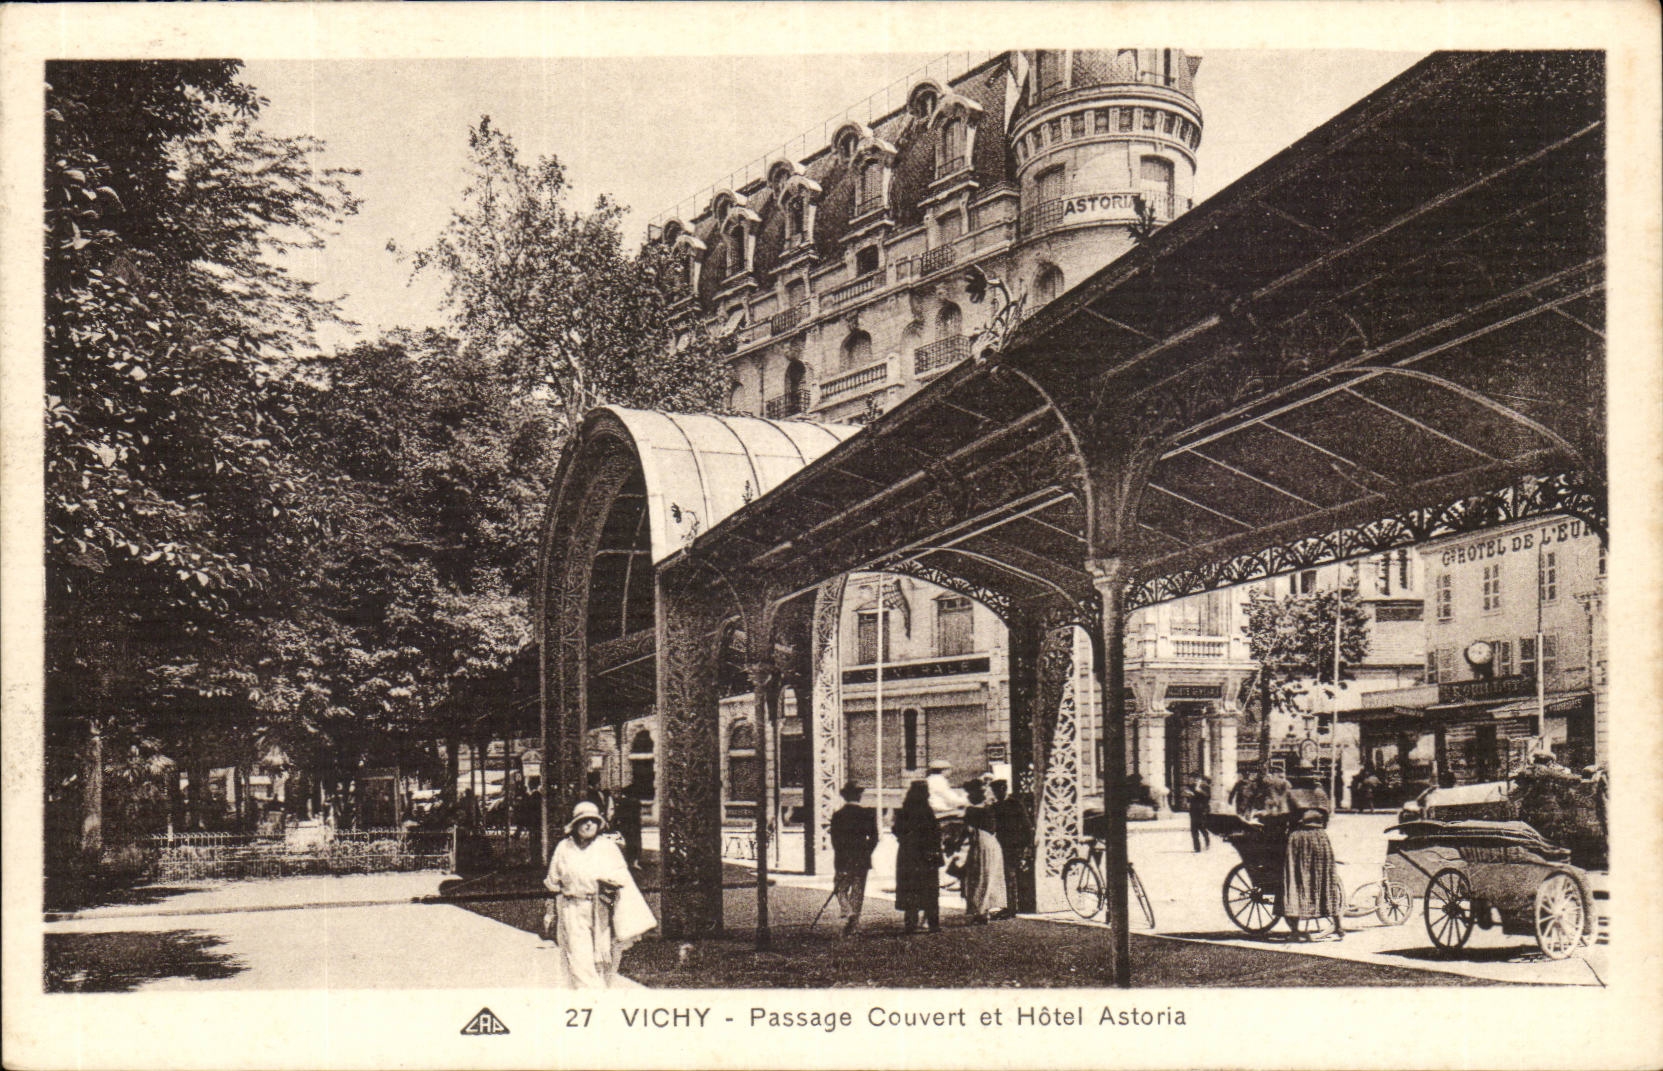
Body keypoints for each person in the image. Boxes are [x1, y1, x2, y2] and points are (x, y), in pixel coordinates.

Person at [542, 800, 656, 987]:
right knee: (579, 961)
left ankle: (599, 1000)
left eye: (593, 821)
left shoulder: (607, 848)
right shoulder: (564, 848)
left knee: (604, 962)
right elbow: (552, 883)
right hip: (573, 909)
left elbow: (623, 881)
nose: (588, 824)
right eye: (583, 820)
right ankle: (591, 1000)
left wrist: (612, 890)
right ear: (575, 824)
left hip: (602, 911)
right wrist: (550, 912)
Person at [1277, 779, 1343, 941]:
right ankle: (1338, 926)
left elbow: (1282, 819)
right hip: (1320, 838)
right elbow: (1326, 820)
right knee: (1326, 878)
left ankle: (1294, 931)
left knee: (1296, 877)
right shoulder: (1321, 794)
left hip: (1299, 838)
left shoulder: (1290, 794)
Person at [828, 780, 880, 935]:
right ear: (859, 796)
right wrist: (866, 851)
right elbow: (875, 837)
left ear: (844, 797)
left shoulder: (838, 815)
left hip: (843, 859)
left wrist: (842, 854)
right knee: (858, 891)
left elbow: (835, 840)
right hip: (862, 859)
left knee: (840, 889)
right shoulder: (867, 814)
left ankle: (847, 910)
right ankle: (853, 925)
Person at [893, 781, 943, 934]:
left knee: (910, 889)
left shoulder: (904, 811)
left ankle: (910, 923)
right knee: (929, 889)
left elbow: (896, 830)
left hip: (908, 855)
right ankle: (933, 923)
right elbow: (935, 833)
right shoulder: (928, 812)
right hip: (926, 856)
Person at [959, 779, 1007, 924]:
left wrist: (955, 845)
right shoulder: (990, 808)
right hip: (992, 843)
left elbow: (965, 832)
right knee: (988, 876)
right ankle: (984, 910)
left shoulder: (971, 811)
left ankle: (980, 911)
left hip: (980, 845)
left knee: (978, 877)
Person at [990, 779, 1032, 919]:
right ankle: (1012, 906)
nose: (997, 794)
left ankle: (1015, 907)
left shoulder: (1015, 804)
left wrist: (1027, 844)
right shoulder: (995, 806)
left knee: (1012, 875)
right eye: (995, 791)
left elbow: (1026, 824)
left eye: (998, 791)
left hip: (1015, 843)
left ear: (1004, 789)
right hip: (1003, 843)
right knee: (1008, 875)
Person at [1188, 775, 1212, 852]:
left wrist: (1198, 790)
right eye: (1194, 779)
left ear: (1201, 780)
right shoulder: (1192, 787)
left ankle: (1207, 840)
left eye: (1197, 779)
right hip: (1193, 810)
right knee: (1193, 829)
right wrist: (1189, 797)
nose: (1195, 781)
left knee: (1202, 827)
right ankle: (1197, 848)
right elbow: (1190, 797)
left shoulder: (1205, 787)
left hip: (1202, 810)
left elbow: (1207, 796)